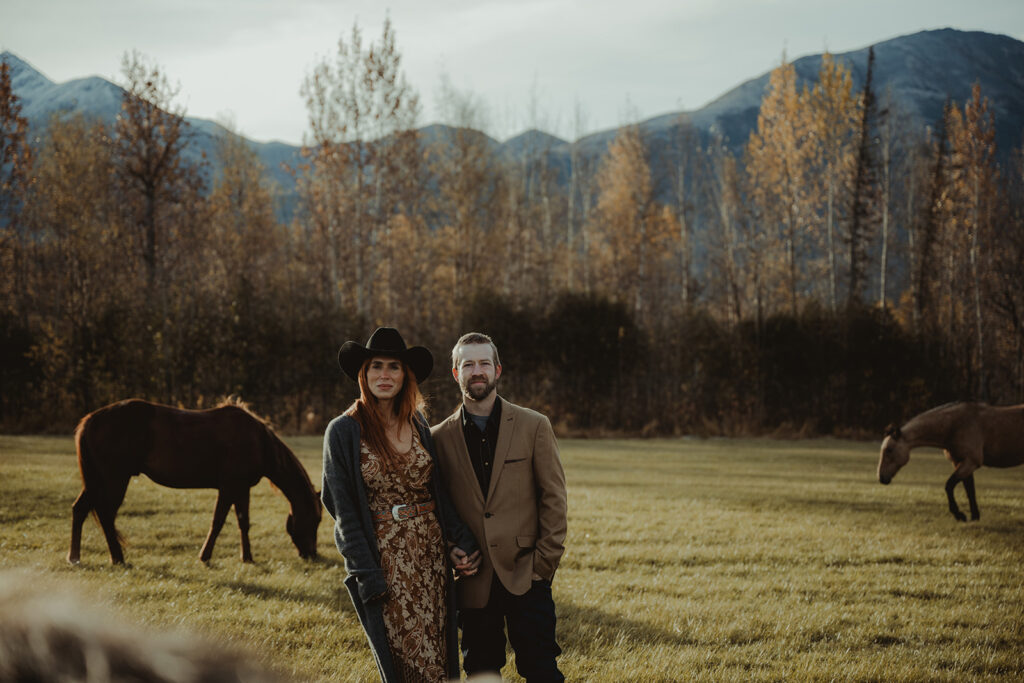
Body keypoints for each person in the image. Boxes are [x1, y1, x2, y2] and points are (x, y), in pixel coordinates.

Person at [321, 327, 481, 683]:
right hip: (386, 563)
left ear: (405, 375)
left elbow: (437, 492)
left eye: (393, 367)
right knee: (409, 663)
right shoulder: (343, 431)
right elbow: (343, 512)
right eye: (375, 366)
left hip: (431, 559)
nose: (384, 374)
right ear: (363, 374)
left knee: (438, 659)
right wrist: (366, 572)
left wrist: (458, 542)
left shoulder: (418, 422)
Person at [431, 332, 568, 682]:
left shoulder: (533, 425)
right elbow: (438, 507)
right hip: (474, 580)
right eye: (468, 364)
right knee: (481, 671)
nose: (477, 371)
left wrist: (544, 564)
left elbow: (553, 497)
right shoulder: (437, 438)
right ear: (455, 373)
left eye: (484, 363)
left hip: (528, 574)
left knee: (541, 670)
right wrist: (452, 550)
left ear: (497, 370)